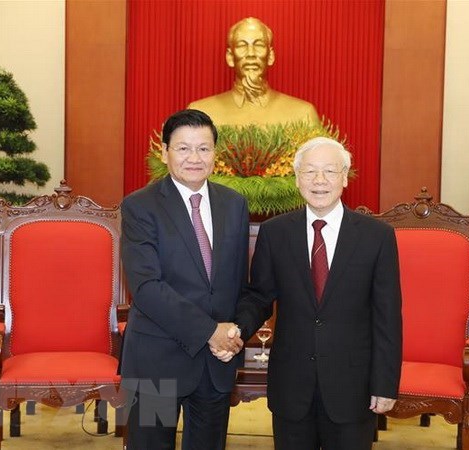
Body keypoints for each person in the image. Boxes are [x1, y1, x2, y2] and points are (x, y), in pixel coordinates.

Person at [224, 137, 403, 449]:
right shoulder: (276, 232)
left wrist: (385, 384)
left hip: (353, 386)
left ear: (345, 177)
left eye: (330, 171)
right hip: (292, 384)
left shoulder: (377, 236)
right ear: (297, 179)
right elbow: (259, 296)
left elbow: (387, 316)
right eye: (310, 172)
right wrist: (237, 328)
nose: (320, 181)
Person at [119, 109, 249, 450]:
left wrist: (232, 334)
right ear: (164, 153)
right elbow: (146, 288)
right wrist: (210, 331)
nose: (195, 158)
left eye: (204, 148)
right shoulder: (140, 206)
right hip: (156, 362)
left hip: (214, 364)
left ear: (215, 154)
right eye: (183, 148)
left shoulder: (234, 204)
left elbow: (237, 282)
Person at [188, 17, 321, 127]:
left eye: (258, 45)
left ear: (270, 56)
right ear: (230, 57)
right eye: (242, 45)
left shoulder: (303, 114)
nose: (251, 53)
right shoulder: (200, 112)